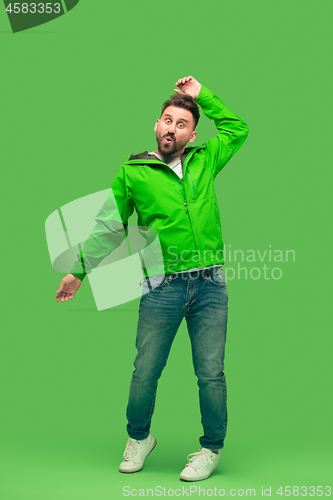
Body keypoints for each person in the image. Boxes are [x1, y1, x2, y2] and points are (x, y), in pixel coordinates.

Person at [55, 76, 248, 481]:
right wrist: (79, 271)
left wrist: (201, 96)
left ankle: (211, 448)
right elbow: (110, 227)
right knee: (145, 370)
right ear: (156, 125)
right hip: (162, 285)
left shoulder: (205, 158)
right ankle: (139, 438)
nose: (171, 128)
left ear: (191, 134)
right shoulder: (133, 172)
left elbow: (237, 128)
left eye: (181, 123)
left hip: (211, 284)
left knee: (211, 371)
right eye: (167, 120)